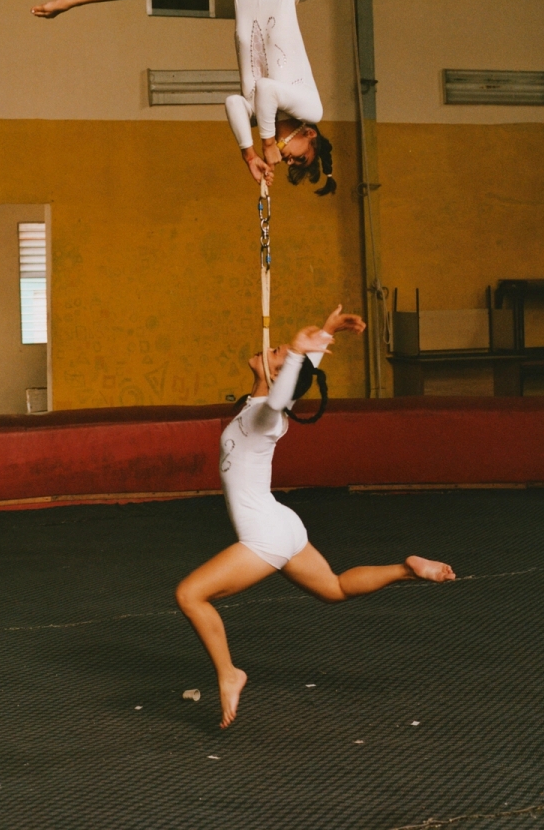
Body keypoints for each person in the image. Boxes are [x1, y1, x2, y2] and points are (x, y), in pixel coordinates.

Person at [174, 304, 457, 728]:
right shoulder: (256, 407)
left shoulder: (267, 416)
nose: (269, 349)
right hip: (282, 522)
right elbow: (289, 389)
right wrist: (322, 336)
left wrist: (298, 358)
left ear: (279, 377)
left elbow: (285, 396)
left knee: (190, 595)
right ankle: (406, 569)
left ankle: (229, 673)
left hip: (265, 534)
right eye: (275, 350)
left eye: (276, 354)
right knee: (335, 589)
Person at [31, 0, 469, 192]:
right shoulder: (308, 108)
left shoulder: (264, 114)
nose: (288, 156)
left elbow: (234, 103)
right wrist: (265, 145)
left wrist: (248, 155)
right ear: (310, 136)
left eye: (291, 162)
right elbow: (266, 89)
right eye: (299, 156)